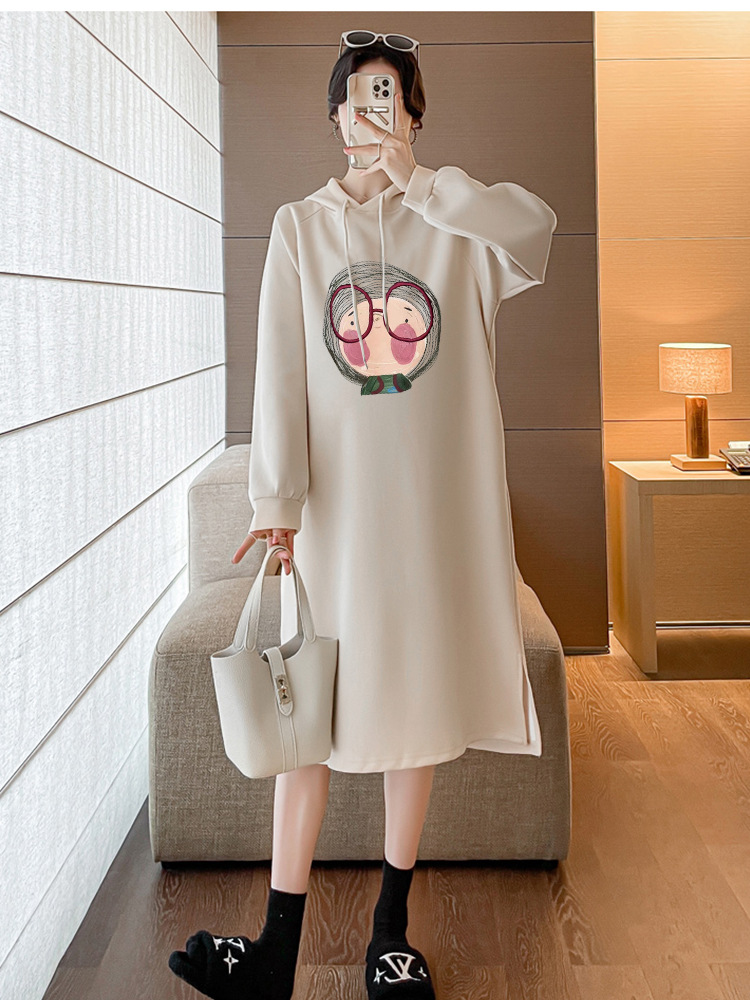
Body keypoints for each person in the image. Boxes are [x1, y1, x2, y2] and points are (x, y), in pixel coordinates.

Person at [169, 28, 557, 1000]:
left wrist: (422, 183)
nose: (372, 115)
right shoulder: (299, 229)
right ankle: (276, 949)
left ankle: (390, 933)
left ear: (413, 117)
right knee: (311, 715)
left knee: (411, 714)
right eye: (358, 98)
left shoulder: (457, 229)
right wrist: (276, 503)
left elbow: (535, 231)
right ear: (335, 117)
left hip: (428, 524)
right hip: (335, 525)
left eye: (391, 98)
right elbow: (280, 373)